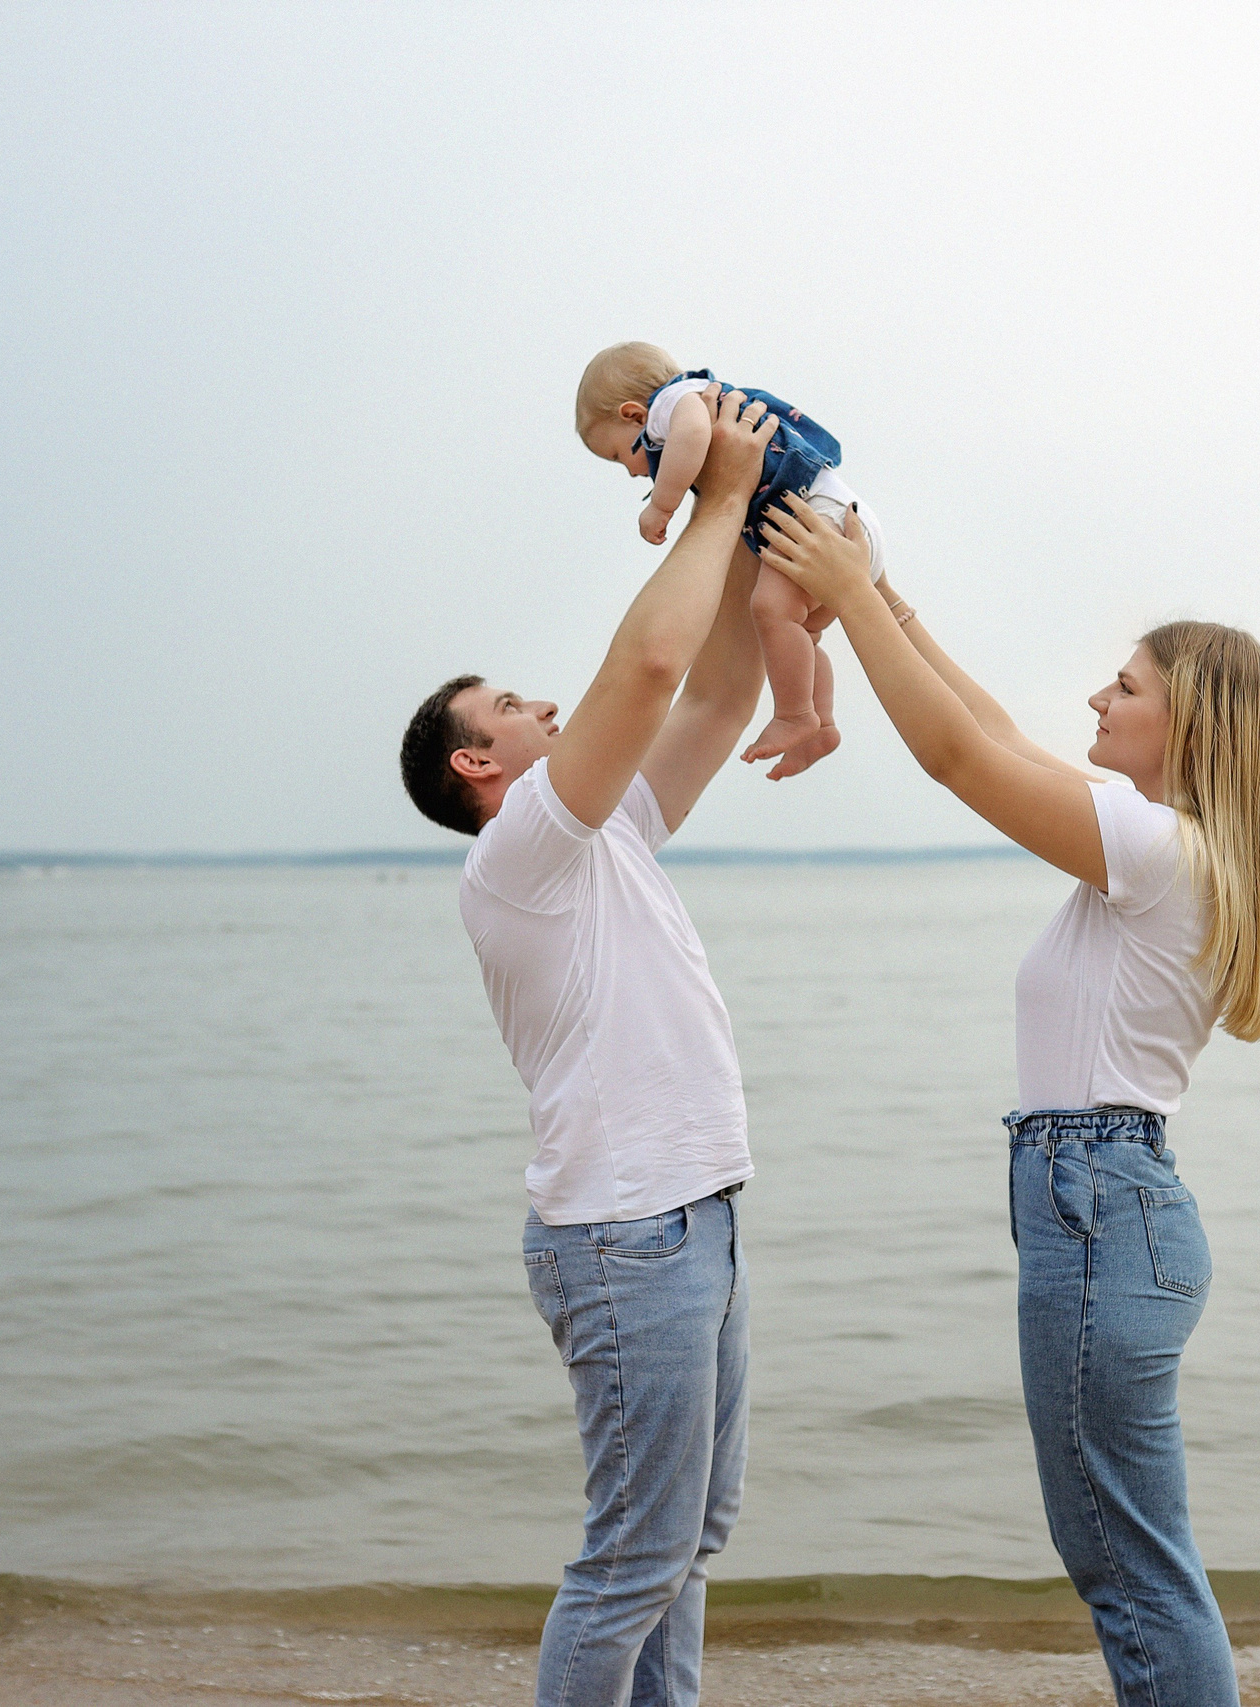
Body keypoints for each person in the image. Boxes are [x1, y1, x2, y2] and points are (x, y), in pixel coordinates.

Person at [758, 494, 1260, 1707]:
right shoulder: (1161, 848)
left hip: (1101, 1208)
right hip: (1108, 1204)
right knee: (1129, 1558)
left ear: (1186, 720)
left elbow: (955, 758)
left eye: (1125, 686)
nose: (1099, 700)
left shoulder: (1155, 850)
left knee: (1128, 1568)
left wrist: (843, 589)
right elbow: (985, 727)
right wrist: (875, 592)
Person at [396, 385, 778, 1707]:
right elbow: (647, 670)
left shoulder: (602, 827)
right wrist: (712, 495)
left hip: (695, 1219)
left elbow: (719, 693)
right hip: (627, 1234)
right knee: (634, 1557)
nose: (545, 699)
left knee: (688, 1546)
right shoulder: (522, 854)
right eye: (510, 703)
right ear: (475, 770)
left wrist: (759, 512)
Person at [575, 340, 887, 780]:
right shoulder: (696, 401)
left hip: (822, 517)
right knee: (800, 635)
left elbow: (693, 436)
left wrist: (662, 505)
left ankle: (794, 714)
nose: (630, 471)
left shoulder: (674, 403)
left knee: (768, 610)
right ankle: (821, 724)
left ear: (634, 415)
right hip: (840, 523)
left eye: (619, 454)